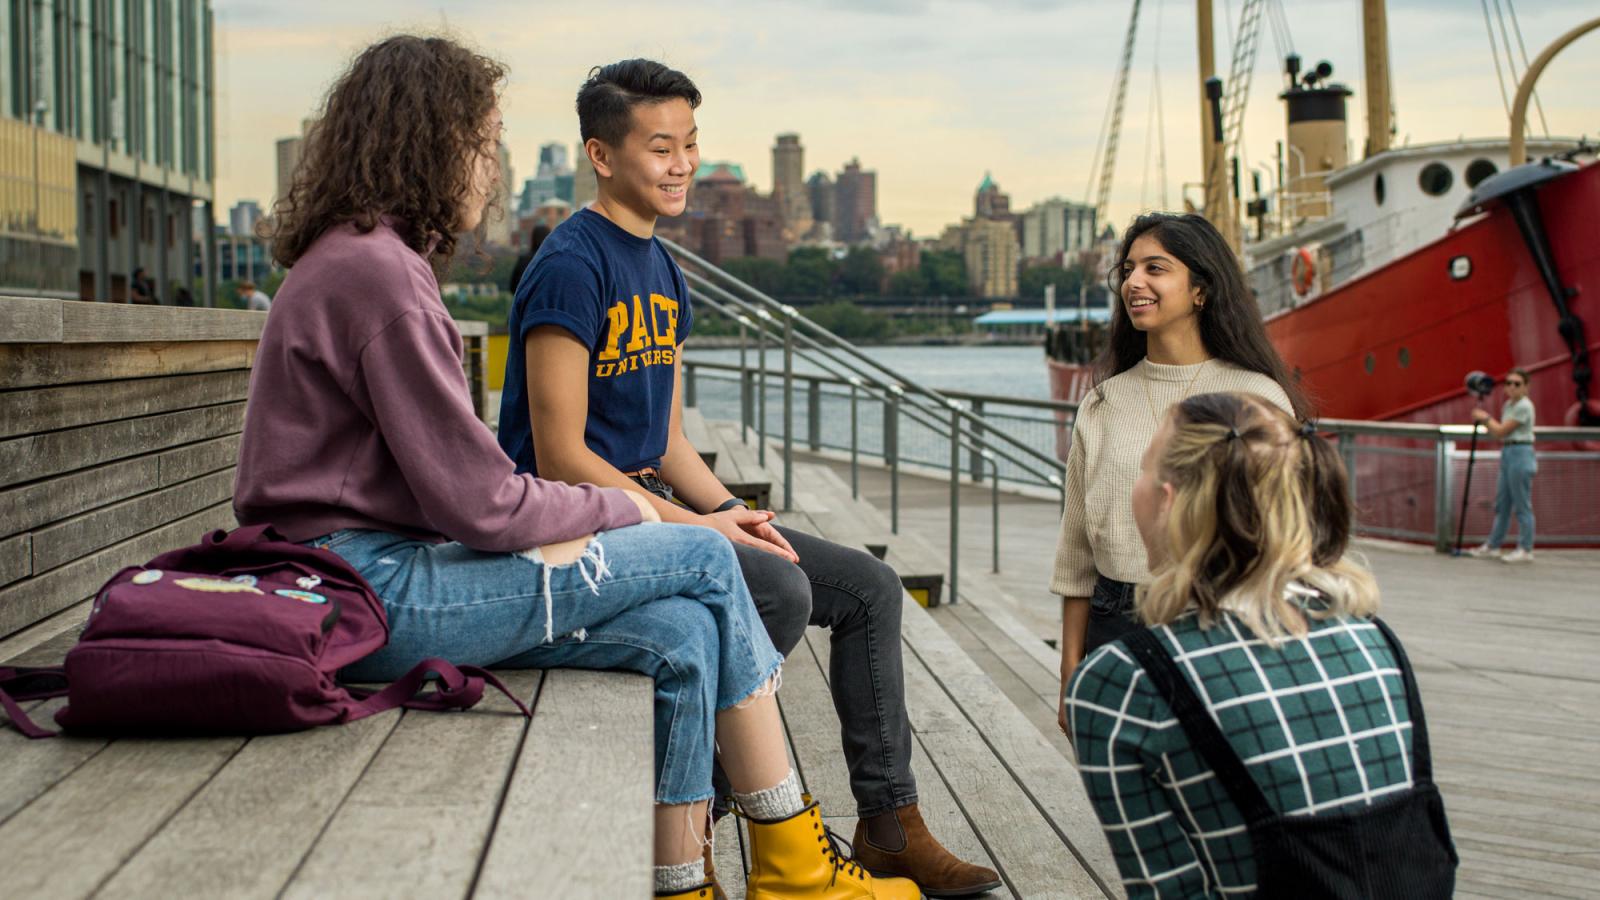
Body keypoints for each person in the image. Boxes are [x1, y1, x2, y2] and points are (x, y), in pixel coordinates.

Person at [239, 36, 912, 900]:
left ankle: (682, 884)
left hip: (358, 573)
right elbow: (483, 501)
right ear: (431, 141)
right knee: (707, 562)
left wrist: (668, 512)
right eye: (484, 142)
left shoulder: (366, 262)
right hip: (363, 587)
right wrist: (636, 518)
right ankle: (797, 870)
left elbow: (468, 484)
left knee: (683, 636)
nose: (491, 166)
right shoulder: (384, 280)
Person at [497, 58, 999, 898]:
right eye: (661, 147)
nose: (682, 164)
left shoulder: (663, 268)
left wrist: (734, 510)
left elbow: (670, 438)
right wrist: (702, 530)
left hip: (656, 509)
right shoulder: (570, 265)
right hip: (580, 526)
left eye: (691, 144)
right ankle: (693, 830)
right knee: (778, 593)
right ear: (602, 154)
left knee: (867, 587)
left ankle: (890, 825)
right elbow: (560, 460)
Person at [1065, 391, 1458, 898]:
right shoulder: (1374, 640)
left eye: (1142, 470)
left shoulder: (1122, 683)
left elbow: (1167, 890)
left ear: (1166, 499)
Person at [1052, 212, 1311, 721]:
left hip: (1221, 617)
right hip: (1115, 621)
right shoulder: (1102, 401)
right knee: (1118, 793)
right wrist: (1069, 673)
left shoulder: (1257, 397)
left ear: (1200, 290)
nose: (1134, 282)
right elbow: (1077, 551)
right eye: (1127, 269)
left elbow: (1287, 538)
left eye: (1156, 267)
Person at [1467, 367, 1538, 563]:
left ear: (1526, 387)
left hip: (1521, 452)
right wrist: (1488, 422)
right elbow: (1499, 432)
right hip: (1508, 452)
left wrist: (1484, 418)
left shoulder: (1524, 406)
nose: (1511, 387)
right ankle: (1494, 544)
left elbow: (1500, 431)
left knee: (1522, 504)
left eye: (1517, 384)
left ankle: (1525, 548)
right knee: (1502, 504)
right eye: (1508, 383)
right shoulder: (1509, 405)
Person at [509, 223, 551, 294]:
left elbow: (513, 287)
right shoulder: (552, 260)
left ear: (533, 238)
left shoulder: (523, 259)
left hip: (526, 303)